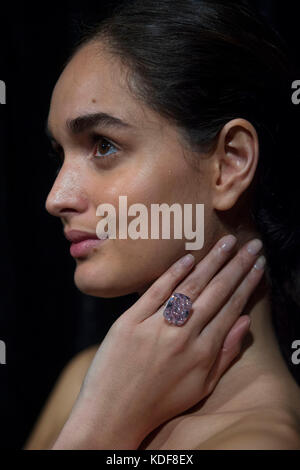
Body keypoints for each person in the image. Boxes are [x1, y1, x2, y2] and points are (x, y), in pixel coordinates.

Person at [24, 0, 300, 449]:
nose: (56, 198)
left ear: (231, 163)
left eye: (103, 145)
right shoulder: (90, 379)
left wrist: (100, 429)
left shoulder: (261, 441)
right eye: (60, 153)